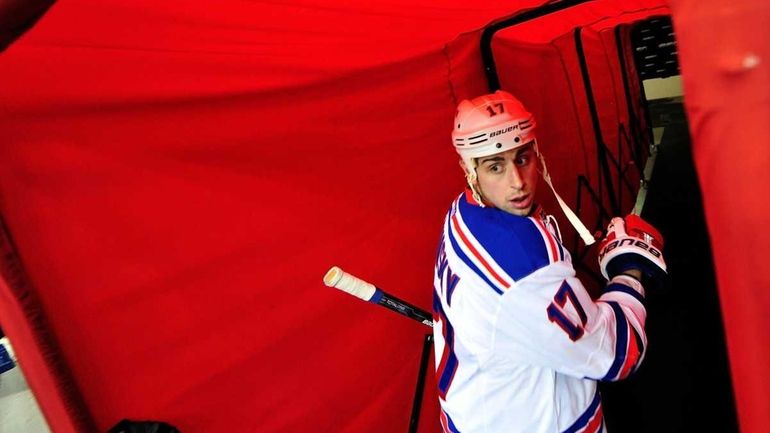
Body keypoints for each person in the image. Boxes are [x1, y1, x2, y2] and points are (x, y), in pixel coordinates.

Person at [432, 90, 667, 433]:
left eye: (522, 158)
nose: (517, 182)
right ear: (471, 171)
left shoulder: (461, 213)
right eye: (496, 167)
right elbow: (615, 355)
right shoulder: (521, 262)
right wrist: (628, 270)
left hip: (479, 410)